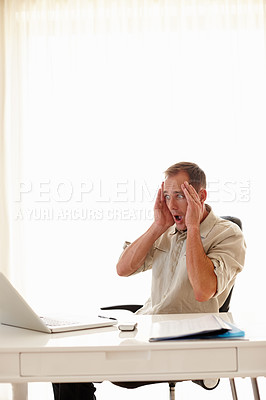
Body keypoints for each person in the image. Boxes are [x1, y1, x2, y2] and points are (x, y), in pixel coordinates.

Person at [53, 161, 246, 399]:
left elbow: (203, 291)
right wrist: (157, 226)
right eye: (166, 195)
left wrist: (194, 228)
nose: (171, 204)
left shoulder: (228, 234)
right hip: (145, 330)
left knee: (75, 364)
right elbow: (123, 268)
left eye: (179, 195)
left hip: (184, 343)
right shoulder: (167, 230)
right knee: (63, 360)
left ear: (201, 195)